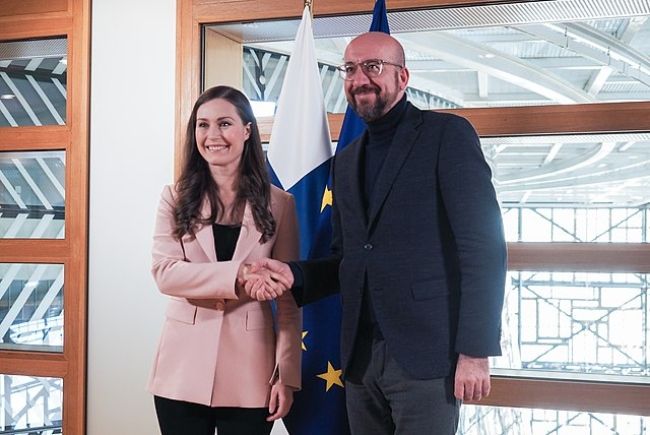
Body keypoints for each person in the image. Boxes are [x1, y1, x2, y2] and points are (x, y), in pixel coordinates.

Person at [244, 32, 507, 435]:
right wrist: (294, 275)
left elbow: (483, 248)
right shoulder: (346, 161)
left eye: (373, 67)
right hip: (359, 359)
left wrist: (475, 351)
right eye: (349, 69)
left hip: (427, 359)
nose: (359, 78)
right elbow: (347, 258)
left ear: (403, 77)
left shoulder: (447, 136)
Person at [148, 85, 302, 435]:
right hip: (180, 372)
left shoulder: (281, 204)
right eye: (202, 125)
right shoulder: (174, 198)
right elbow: (166, 274)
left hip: (252, 372)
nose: (212, 135)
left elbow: (290, 301)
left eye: (224, 123)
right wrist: (240, 274)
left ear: (247, 131)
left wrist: (287, 377)